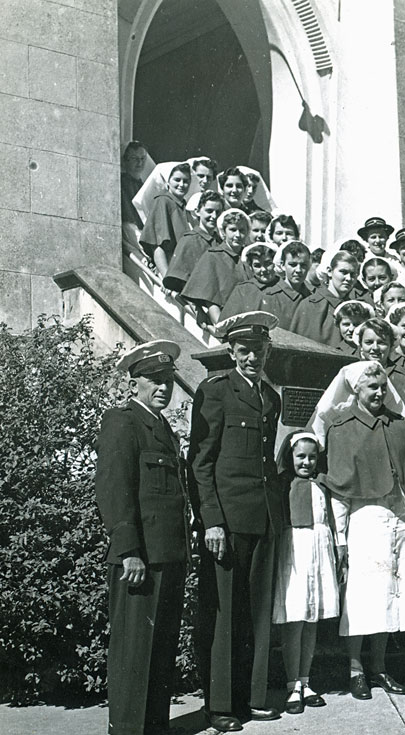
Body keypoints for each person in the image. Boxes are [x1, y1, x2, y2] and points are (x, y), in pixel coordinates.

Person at [188, 312, 283, 732]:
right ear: (230, 351)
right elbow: (201, 463)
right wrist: (210, 521)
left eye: (259, 351)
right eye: (244, 351)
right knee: (224, 613)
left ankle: (253, 696)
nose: (252, 358)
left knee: (257, 613)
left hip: (262, 517)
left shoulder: (271, 397)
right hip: (225, 521)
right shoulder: (215, 391)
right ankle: (221, 704)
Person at [310, 361, 405, 700]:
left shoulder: (396, 423)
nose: (378, 392)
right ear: (355, 389)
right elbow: (341, 490)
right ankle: (356, 669)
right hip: (365, 518)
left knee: (391, 596)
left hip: (400, 517)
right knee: (362, 599)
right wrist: (341, 539)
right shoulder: (341, 425)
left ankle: (379, 667)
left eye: (381, 386)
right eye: (370, 387)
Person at [95, 340, 188, 735]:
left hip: (167, 554)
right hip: (140, 558)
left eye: (168, 379)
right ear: (134, 383)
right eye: (154, 380)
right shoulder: (123, 421)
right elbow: (115, 490)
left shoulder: (163, 427)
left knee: (160, 648)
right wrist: (128, 550)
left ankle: (153, 727)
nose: (163, 387)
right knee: (135, 651)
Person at [271, 432, 339, 715]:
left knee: (311, 618)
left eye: (312, 457)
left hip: (319, 549)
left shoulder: (322, 484)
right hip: (295, 550)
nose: (307, 462)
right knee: (295, 616)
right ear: (291, 457)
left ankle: (305, 680)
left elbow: (332, 519)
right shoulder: (283, 485)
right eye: (301, 456)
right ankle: (291, 685)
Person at [181, 208, 250, 325]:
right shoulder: (213, 256)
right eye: (232, 230)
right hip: (226, 322)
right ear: (223, 232)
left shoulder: (249, 258)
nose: (238, 235)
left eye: (242, 230)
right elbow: (211, 298)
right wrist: (220, 325)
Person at [289, 251, 361, 349]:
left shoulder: (355, 308)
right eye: (343, 272)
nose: (349, 278)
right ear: (329, 271)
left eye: (353, 274)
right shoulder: (310, 306)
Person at [163, 191, 224, 294]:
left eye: (218, 212)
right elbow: (181, 282)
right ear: (197, 211)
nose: (214, 216)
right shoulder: (189, 240)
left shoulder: (220, 242)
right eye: (209, 211)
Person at [139, 162, 191, 278]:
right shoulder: (163, 201)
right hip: (170, 271)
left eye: (186, 181)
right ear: (168, 181)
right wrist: (166, 277)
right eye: (177, 180)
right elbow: (158, 245)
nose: (182, 184)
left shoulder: (184, 207)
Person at [218, 243, 279, 322]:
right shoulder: (243, 290)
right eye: (257, 265)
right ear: (251, 267)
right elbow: (226, 322)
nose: (263, 269)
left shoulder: (284, 286)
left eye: (268, 263)